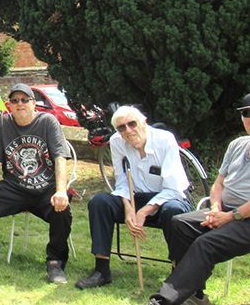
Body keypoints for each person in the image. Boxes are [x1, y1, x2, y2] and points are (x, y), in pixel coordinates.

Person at [135, 91, 250, 305]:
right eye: (247, 113)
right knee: (179, 223)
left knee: (206, 243)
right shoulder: (238, 144)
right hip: (228, 211)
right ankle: (195, 296)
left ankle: (162, 304)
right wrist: (216, 208)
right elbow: (218, 184)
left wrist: (230, 216)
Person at [76, 106, 192, 289]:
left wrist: (144, 211)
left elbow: (174, 187)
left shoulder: (165, 140)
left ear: (143, 122)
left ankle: (177, 274)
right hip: (134, 196)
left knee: (174, 211)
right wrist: (129, 207)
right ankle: (101, 270)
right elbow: (122, 181)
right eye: (121, 127)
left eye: (132, 124)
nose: (128, 131)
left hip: (169, 198)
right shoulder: (116, 142)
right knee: (99, 202)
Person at [0, 84, 73, 281]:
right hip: (14, 188)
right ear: (10, 105)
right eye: (15, 101)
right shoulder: (4, 123)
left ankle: (55, 263)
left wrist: (61, 191)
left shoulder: (48, 121)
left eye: (25, 100)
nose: (20, 104)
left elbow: (60, 158)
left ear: (34, 104)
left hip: (44, 188)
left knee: (62, 210)